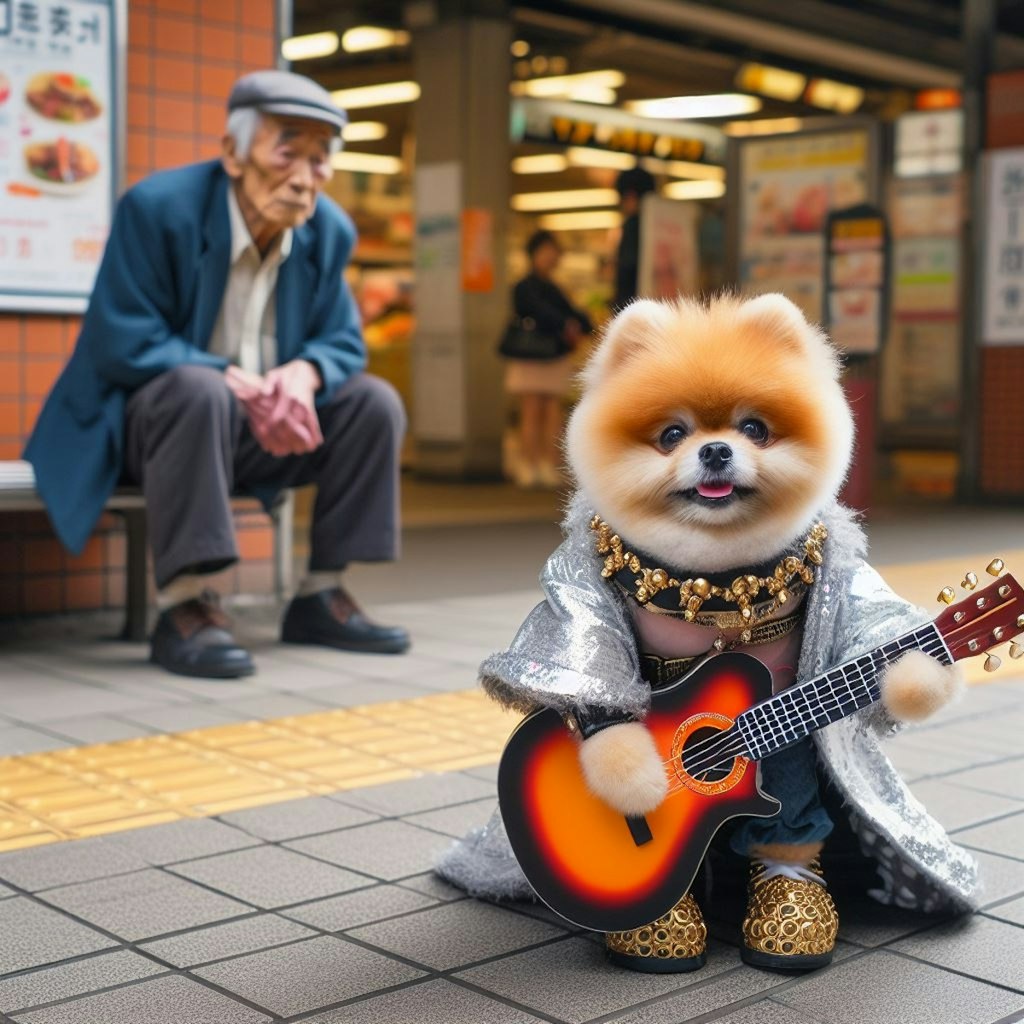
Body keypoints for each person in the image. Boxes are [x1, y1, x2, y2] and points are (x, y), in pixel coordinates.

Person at [25, 70, 410, 680]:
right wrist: (231, 377)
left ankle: (321, 594)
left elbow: (341, 340)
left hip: (252, 436)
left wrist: (305, 374)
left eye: (320, 158)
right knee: (197, 388)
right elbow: (118, 338)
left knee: (372, 402)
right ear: (232, 152)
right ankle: (187, 604)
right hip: (143, 434)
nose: (305, 177)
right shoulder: (158, 209)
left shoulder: (327, 230)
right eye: (288, 150)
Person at [506, 230, 592, 488]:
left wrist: (577, 323)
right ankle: (528, 462)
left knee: (553, 410)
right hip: (533, 356)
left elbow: (578, 316)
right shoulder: (524, 286)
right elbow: (543, 312)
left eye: (553, 252)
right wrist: (567, 322)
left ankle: (547, 463)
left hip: (554, 356)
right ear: (533, 254)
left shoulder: (556, 288)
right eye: (546, 251)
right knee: (531, 409)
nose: (551, 256)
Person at [613, 166, 657, 308]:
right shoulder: (660, 226)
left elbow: (628, 268)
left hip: (634, 307)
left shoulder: (633, 226)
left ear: (630, 196)